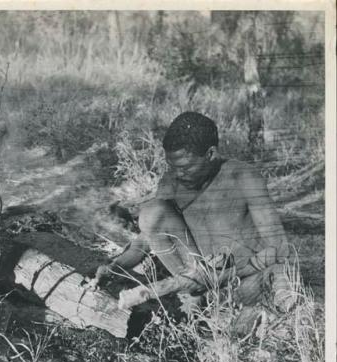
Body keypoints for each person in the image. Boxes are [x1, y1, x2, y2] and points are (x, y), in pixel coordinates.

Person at [90, 111, 292, 311]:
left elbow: (279, 248)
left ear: (211, 154)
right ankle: (196, 296)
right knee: (152, 212)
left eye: (186, 167)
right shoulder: (172, 183)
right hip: (194, 277)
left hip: (242, 274)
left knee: (262, 287)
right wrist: (112, 269)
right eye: (172, 166)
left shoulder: (243, 178)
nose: (178, 174)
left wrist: (228, 273)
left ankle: (214, 301)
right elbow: (145, 240)